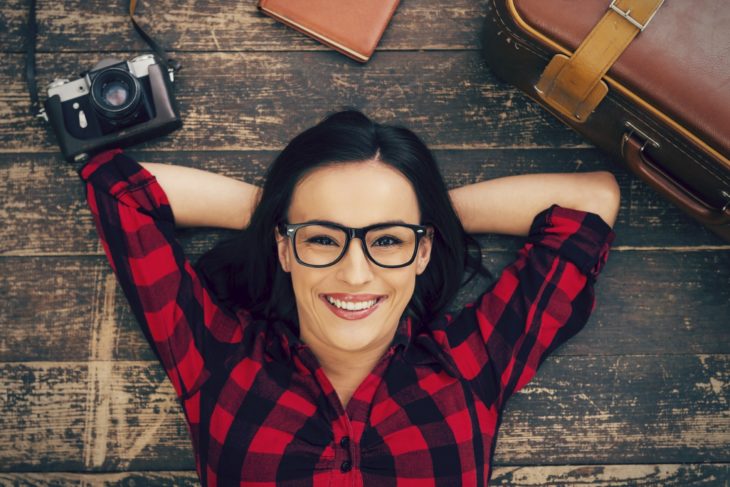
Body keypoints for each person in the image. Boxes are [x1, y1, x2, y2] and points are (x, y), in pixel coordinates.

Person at [79, 110, 619, 486]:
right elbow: (119, 191)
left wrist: (418, 214)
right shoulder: (216, 360)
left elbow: (590, 200)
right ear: (284, 251)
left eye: (386, 241)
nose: (355, 274)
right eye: (322, 240)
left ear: (423, 252)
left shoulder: (472, 366)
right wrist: (286, 215)